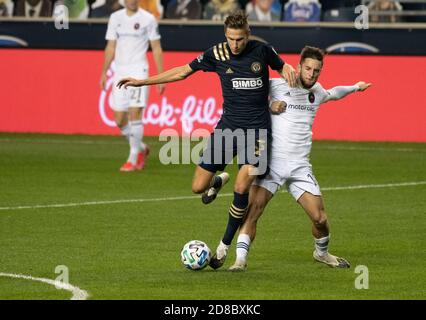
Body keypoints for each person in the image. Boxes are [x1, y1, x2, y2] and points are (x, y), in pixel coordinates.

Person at [117, 10, 296, 268]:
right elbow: (182, 72)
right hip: (228, 128)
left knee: (242, 187)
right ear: (225, 35)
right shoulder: (216, 54)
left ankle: (223, 247)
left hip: (257, 132)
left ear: (248, 34)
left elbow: (282, 65)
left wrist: (287, 66)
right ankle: (216, 179)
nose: (235, 45)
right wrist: (142, 82)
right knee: (197, 187)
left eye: (240, 39)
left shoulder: (262, 50)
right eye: (231, 39)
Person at [229, 46, 372, 271]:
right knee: (252, 212)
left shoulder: (318, 92)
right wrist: (269, 105)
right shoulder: (278, 85)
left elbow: (335, 92)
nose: (311, 74)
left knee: (320, 219)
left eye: (316, 70)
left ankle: (321, 253)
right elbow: (249, 100)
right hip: (272, 165)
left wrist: (355, 87)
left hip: (299, 167)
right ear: (298, 67)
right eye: (307, 69)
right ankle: (240, 261)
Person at [100, 0, 164, 172]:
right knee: (119, 119)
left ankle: (133, 158)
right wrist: (104, 72)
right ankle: (141, 148)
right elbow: (110, 46)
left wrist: (160, 77)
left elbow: (156, 48)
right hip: (120, 73)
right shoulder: (115, 18)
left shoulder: (148, 19)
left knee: (135, 112)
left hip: (139, 72)